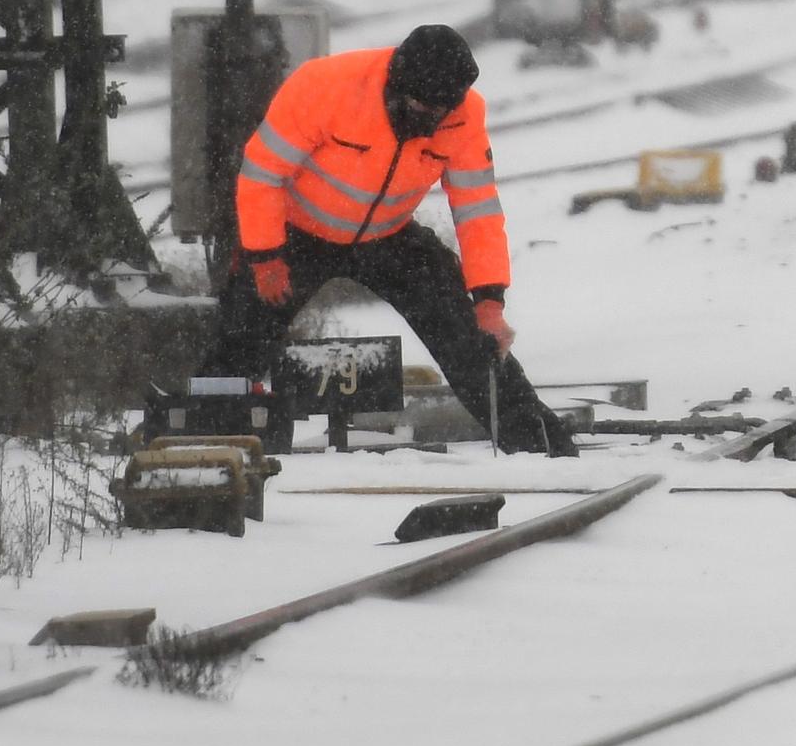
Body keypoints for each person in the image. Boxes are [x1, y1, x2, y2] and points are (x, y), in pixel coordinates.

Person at [215, 23, 570, 453]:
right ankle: (204, 438)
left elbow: (477, 212)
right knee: (240, 339)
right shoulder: (325, 85)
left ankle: (542, 445)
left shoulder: (465, 116)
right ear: (395, 86)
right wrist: (265, 257)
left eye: (441, 112)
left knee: (470, 337)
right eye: (421, 107)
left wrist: (490, 304)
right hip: (295, 235)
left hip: (390, 236)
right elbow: (261, 174)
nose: (430, 120)